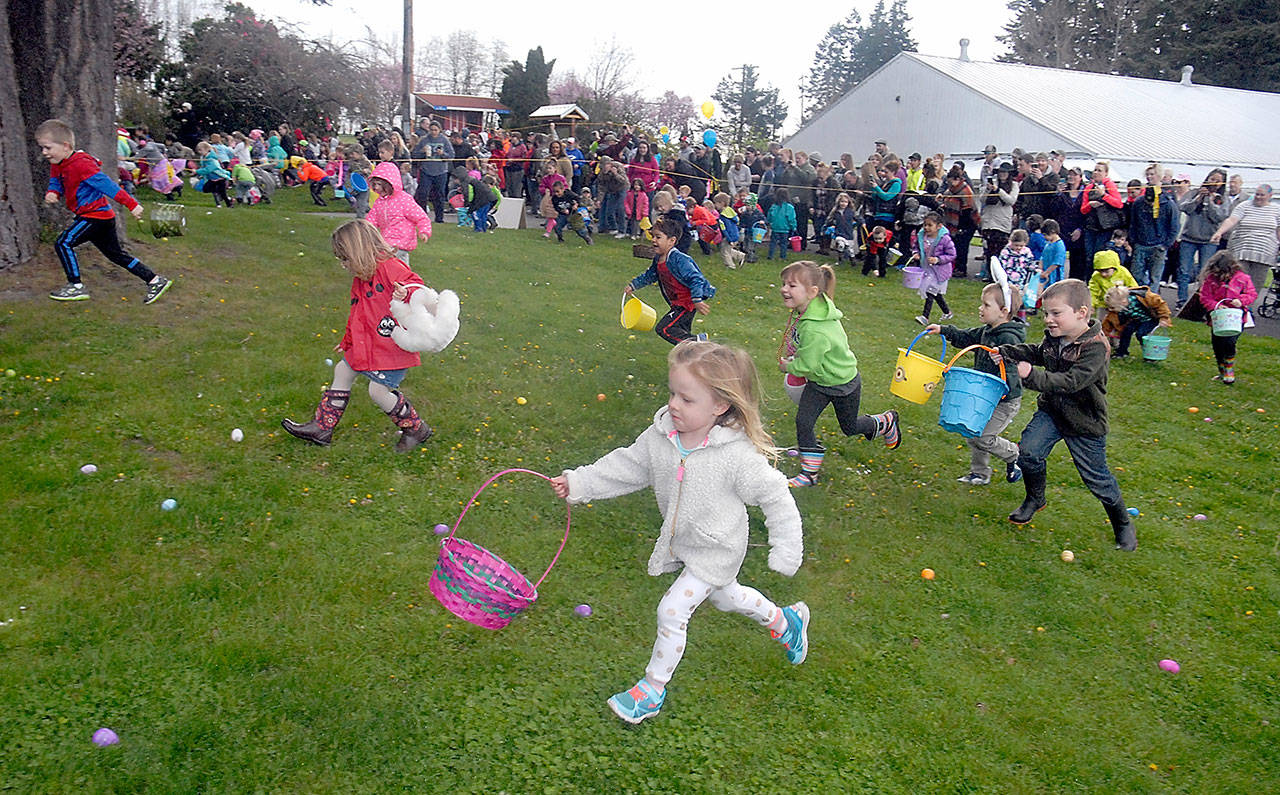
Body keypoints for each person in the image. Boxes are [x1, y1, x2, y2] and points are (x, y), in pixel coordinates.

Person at [549, 340, 805, 724]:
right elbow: (628, 466)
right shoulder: (661, 437)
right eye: (673, 393)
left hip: (718, 549)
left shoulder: (736, 457)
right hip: (687, 543)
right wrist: (579, 483)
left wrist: (786, 548)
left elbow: (776, 497)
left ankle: (651, 690)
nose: (673, 405)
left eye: (687, 399)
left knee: (672, 609)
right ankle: (786, 623)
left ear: (720, 406)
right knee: (726, 597)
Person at [992, 279, 1137, 551]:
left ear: (1081, 313)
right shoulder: (1056, 337)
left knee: (1097, 479)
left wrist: (1030, 375)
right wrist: (1009, 352)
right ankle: (1035, 498)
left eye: (1056, 313)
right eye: (1046, 313)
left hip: (1084, 421)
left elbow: (1071, 381)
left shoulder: (1095, 347)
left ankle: (1123, 524)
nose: (1048, 319)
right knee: (1029, 453)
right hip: (1053, 412)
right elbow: (1039, 352)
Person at [281, 220, 433, 452]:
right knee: (342, 370)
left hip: (391, 346)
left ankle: (415, 428)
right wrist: (348, 340)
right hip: (367, 344)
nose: (343, 265)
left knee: (378, 391)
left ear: (359, 251)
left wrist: (407, 292)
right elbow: (358, 313)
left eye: (345, 258)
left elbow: (419, 288)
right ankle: (322, 427)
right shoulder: (361, 279)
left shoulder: (391, 268)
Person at [779, 260, 901, 488]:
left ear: (813, 292)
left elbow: (807, 367)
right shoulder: (813, 308)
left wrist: (788, 366)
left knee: (850, 427)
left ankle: (885, 422)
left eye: (792, 285)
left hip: (843, 383)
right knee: (803, 422)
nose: (785, 289)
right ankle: (809, 474)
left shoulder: (816, 328)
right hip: (820, 383)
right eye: (784, 283)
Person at [36, 119, 172, 304]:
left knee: (63, 243)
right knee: (116, 255)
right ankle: (155, 280)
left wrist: (132, 204)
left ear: (65, 146)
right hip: (99, 217)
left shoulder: (82, 164)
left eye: (47, 148)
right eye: (42, 148)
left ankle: (75, 286)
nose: (44, 152)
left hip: (95, 217)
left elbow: (108, 186)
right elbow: (56, 179)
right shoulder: (58, 163)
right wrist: (53, 191)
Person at [925, 281, 1027, 486]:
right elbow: (966, 337)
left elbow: (1017, 367)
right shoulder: (987, 331)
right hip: (984, 395)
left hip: (1004, 400)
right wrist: (943, 329)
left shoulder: (1008, 337)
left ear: (1003, 311)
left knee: (982, 436)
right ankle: (979, 473)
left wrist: (1005, 359)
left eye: (986, 305)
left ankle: (1015, 455)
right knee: (973, 432)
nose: (981, 308)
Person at [625, 217, 715, 345]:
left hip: (686, 304)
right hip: (677, 303)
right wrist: (633, 285)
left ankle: (698, 343)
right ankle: (691, 358)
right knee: (681, 334)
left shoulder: (679, 259)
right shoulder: (658, 259)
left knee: (665, 329)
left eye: (658, 237)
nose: (654, 240)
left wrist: (697, 300)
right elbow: (650, 275)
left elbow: (696, 278)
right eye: (653, 236)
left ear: (671, 241)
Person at [1209, 183, 1280, 310]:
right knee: (1238, 280)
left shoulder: (1276, 210)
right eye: (1256, 194)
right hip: (1243, 249)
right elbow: (1231, 220)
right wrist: (1219, 232)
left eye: (1262, 195)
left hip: (1265, 253)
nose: (1258, 197)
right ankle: (1231, 307)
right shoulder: (1244, 206)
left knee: (1256, 283)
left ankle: (1247, 309)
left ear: (1270, 196)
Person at [1197, 251, 1257, 384]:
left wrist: (1241, 300)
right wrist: (1215, 306)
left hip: (1236, 317)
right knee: (1217, 344)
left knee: (1230, 341)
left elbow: (1252, 294)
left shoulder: (1243, 278)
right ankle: (1221, 370)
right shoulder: (1211, 279)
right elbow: (1205, 297)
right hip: (1218, 317)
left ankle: (1229, 369)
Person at [1175, 169, 1230, 310]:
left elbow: (1219, 217)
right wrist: (1199, 198)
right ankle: (1182, 300)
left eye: (1218, 180)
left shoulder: (1223, 198)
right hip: (1189, 237)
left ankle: (1200, 301)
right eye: (1212, 179)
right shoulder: (1194, 192)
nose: (1214, 182)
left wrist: (1211, 202)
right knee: (1183, 270)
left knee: (1204, 271)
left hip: (1208, 240)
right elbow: (1183, 207)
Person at [367, 162, 432, 264]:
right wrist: (365, 229)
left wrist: (424, 231)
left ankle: (401, 279)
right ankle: (390, 278)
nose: (376, 188)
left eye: (379, 184)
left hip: (401, 240)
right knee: (386, 263)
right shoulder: (379, 202)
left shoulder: (404, 200)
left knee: (396, 265)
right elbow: (372, 218)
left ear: (390, 184)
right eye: (374, 184)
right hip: (386, 239)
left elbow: (421, 217)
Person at [1127, 179, 1180, 289]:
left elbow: (1174, 227)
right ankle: (1137, 300)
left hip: (1158, 245)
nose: (1149, 204)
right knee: (1136, 276)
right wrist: (1133, 241)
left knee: (1155, 278)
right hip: (1141, 244)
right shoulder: (1138, 203)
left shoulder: (1169, 205)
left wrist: (1165, 245)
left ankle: (1152, 301)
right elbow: (1133, 223)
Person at [1102, 284, 1171, 358]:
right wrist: (1102, 333)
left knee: (1141, 333)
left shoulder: (1145, 297)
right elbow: (1108, 321)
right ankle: (1122, 352)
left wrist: (1163, 318)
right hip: (1136, 319)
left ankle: (1149, 352)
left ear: (1123, 302)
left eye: (1113, 307)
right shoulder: (1118, 308)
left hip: (1150, 319)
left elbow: (1161, 305)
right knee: (1126, 331)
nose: (1111, 310)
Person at [1080, 161, 1125, 271]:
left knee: (1100, 255)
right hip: (1091, 227)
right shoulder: (1089, 188)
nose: (1096, 172)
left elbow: (1118, 204)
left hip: (1105, 228)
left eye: (1099, 170)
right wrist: (1090, 205)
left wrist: (1104, 196)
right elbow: (1083, 210)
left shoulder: (1110, 185)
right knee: (1089, 257)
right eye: (1095, 170)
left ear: (1106, 173)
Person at [913, 212, 955, 324]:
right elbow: (916, 247)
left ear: (939, 226)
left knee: (930, 292)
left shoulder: (945, 239)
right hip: (927, 268)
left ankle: (925, 317)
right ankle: (947, 312)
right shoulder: (921, 236)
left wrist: (938, 260)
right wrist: (916, 253)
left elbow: (952, 255)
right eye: (925, 225)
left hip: (939, 271)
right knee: (935, 293)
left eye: (930, 225)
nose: (926, 228)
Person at [979, 163, 1019, 279]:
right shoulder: (992, 183)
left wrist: (998, 190)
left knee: (1001, 249)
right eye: (1000, 172)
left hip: (1002, 221)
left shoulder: (1014, 185)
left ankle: (1001, 275)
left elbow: (1011, 200)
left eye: (1005, 172)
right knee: (989, 251)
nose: (1002, 174)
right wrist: (988, 189)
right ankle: (990, 274)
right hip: (989, 221)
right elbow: (982, 199)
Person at [938, 167, 978, 276]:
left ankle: (961, 269)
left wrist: (961, 228)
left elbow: (968, 211)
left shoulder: (965, 191)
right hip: (954, 223)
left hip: (967, 223)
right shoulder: (951, 190)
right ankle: (954, 267)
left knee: (962, 247)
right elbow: (947, 198)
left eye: (951, 181)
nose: (950, 183)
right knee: (954, 246)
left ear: (957, 179)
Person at [412, 120, 453, 223]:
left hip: (441, 171)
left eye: (436, 130)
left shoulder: (445, 140)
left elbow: (451, 156)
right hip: (426, 171)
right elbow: (414, 155)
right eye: (431, 130)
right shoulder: (424, 140)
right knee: (423, 194)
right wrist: (423, 152)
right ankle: (422, 217)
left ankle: (439, 218)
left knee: (439, 195)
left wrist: (443, 154)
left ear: (439, 130)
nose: (433, 132)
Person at [991, 229, 1036, 320]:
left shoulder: (1026, 252)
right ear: (1011, 242)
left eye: (1021, 246)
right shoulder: (1006, 252)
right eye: (1016, 245)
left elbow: (1030, 263)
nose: (1018, 248)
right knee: (1009, 299)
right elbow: (1002, 266)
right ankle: (1008, 317)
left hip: (1021, 279)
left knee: (1020, 299)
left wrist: (1033, 269)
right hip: (1009, 279)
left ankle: (1021, 319)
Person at [766, 187, 797, 261]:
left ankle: (771, 255)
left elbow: (770, 216)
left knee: (773, 243)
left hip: (775, 227)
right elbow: (791, 218)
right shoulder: (789, 207)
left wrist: (769, 223)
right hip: (785, 228)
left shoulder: (773, 206)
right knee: (784, 243)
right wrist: (794, 227)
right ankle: (782, 257)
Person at [1039, 218, 1067, 288]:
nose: (1044, 237)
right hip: (1045, 276)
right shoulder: (1047, 244)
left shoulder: (1059, 245)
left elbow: (1057, 262)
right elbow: (1042, 256)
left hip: (1054, 276)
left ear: (1053, 231)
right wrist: (1040, 267)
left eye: (1045, 235)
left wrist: (1047, 272)